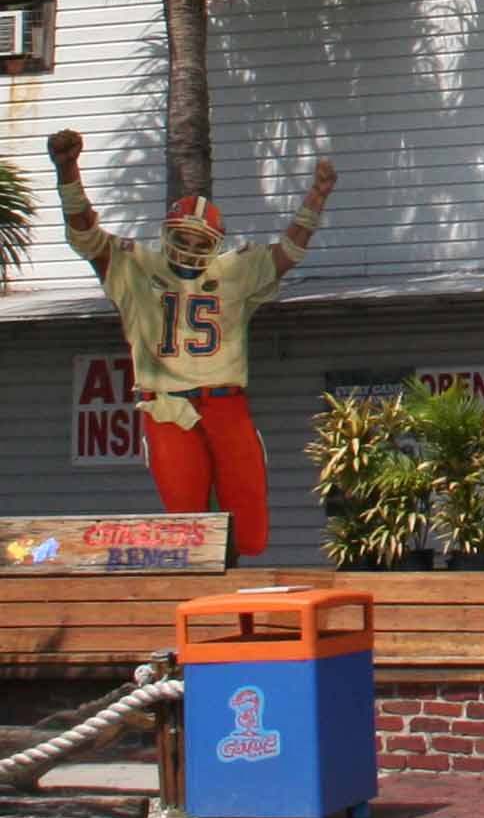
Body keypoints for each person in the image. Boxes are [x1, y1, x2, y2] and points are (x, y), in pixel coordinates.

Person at [49, 128, 335, 556]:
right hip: (166, 404)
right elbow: (86, 235)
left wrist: (316, 197)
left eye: (198, 240)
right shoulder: (135, 266)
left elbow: (287, 253)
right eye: (181, 237)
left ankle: (233, 595)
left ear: (214, 244)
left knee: (251, 531)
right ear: (167, 233)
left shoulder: (232, 271)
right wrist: (68, 172)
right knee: (187, 528)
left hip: (225, 401)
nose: (188, 246)